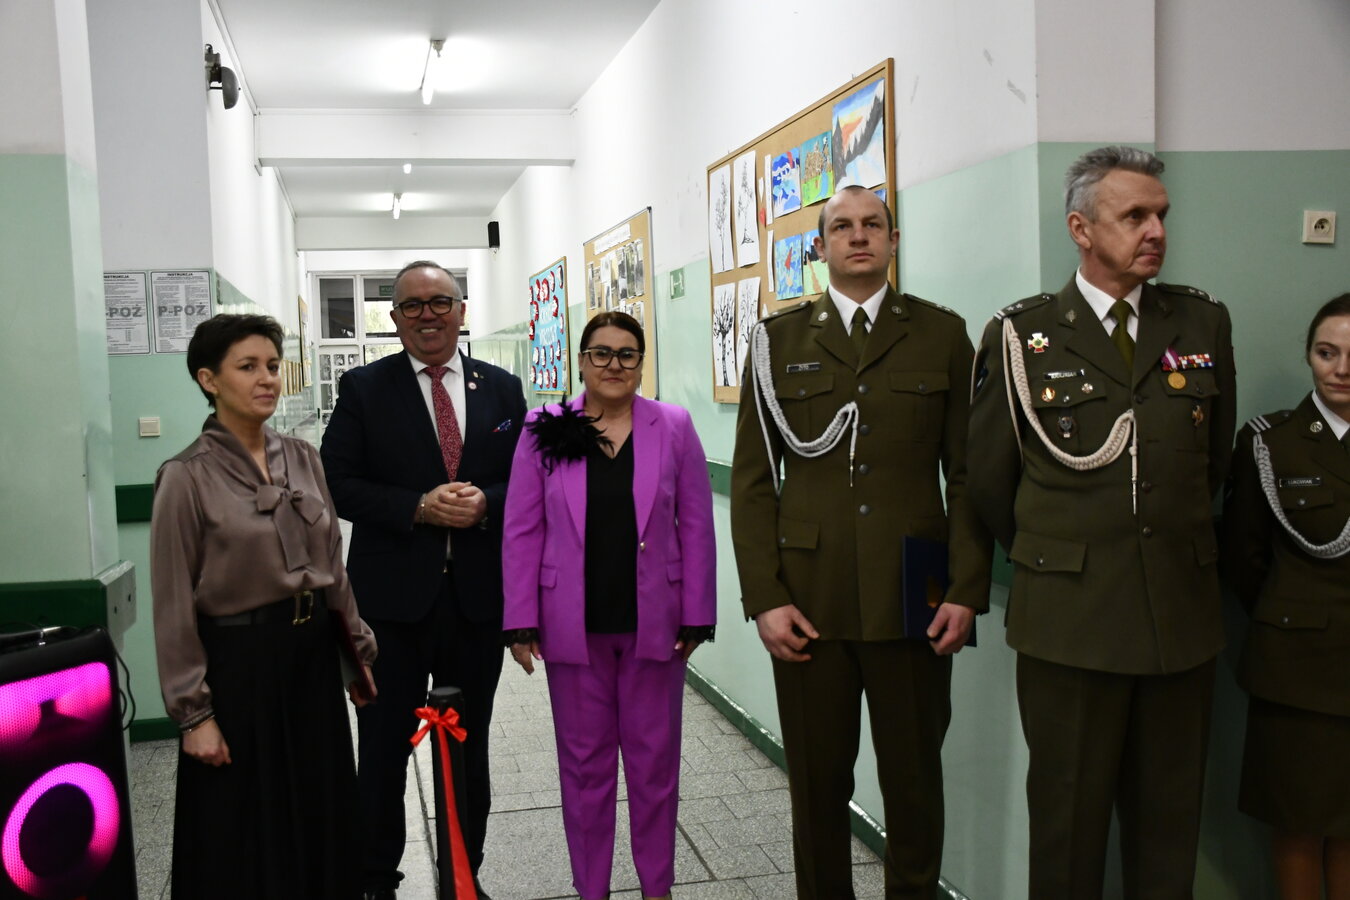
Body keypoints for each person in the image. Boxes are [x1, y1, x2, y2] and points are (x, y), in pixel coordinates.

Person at [966, 146, 1237, 898]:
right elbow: (990, 482)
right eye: (1135, 216)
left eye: (1162, 215)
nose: (1156, 231)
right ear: (1081, 229)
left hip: (1178, 622)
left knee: (1168, 834)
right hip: (1070, 624)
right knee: (1067, 830)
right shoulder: (1021, 335)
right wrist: (1062, 556)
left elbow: (1211, 465)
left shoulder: (1202, 321)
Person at [731, 185, 991, 899]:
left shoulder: (942, 334)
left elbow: (968, 476)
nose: (858, 236)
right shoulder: (776, 342)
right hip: (808, 598)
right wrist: (764, 598)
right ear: (819, 247)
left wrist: (967, 589)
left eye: (873, 224)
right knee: (817, 786)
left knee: (914, 784)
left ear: (893, 240)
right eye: (842, 227)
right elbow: (753, 482)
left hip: (917, 596)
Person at [150, 314, 377, 899]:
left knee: (320, 809)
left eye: (272, 366)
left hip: (309, 658)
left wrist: (356, 652)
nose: (266, 378)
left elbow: (332, 565)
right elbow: (172, 603)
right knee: (245, 824)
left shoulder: (303, 457)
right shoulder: (185, 476)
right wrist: (194, 715)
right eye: (247, 367)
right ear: (209, 380)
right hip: (238, 666)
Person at [320, 261, 526, 900]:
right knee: (384, 750)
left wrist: (486, 502)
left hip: (476, 603)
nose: (427, 315)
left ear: (462, 311)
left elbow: (528, 479)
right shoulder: (364, 388)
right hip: (389, 609)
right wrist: (416, 507)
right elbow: (336, 481)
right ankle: (376, 879)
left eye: (440, 302)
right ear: (394, 318)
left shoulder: (502, 388)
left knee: (468, 745)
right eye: (411, 305)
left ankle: (464, 876)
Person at [502, 311, 715, 900]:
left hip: (656, 627)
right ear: (581, 362)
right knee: (584, 771)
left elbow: (697, 523)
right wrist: (520, 620)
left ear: (641, 363)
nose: (614, 365)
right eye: (601, 353)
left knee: (654, 770)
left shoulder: (673, 426)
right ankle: (591, 888)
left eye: (627, 354)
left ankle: (657, 888)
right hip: (572, 628)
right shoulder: (547, 426)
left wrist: (699, 612)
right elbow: (522, 527)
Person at [1222, 294, 1350, 900]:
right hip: (1297, 669)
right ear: (1308, 356)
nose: (1342, 369)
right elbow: (1243, 559)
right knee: (1298, 822)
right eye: (1327, 353)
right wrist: (1290, 619)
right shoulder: (1270, 442)